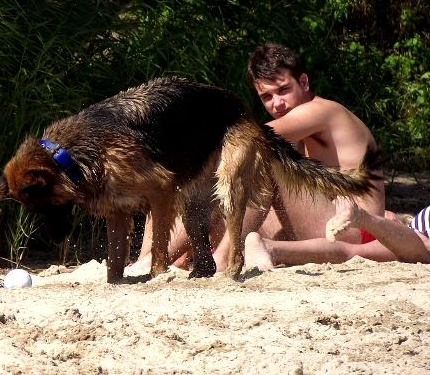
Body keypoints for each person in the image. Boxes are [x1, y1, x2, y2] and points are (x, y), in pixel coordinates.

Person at [129, 42, 389, 275]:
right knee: (187, 178)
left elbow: (244, 139)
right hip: (319, 222)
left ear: (304, 82)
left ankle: (216, 258)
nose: (277, 103)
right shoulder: (297, 127)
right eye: (267, 97)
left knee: (257, 160)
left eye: (283, 90)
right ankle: (150, 259)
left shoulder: (322, 111)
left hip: (354, 229)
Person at [244, 198, 430, 267]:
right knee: (352, 251)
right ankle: (269, 248)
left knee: (352, 251)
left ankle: (267, 247)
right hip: (415, 233)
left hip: (415, 230)